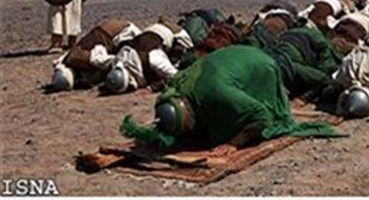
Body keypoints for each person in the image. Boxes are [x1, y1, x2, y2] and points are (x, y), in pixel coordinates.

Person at [120, 45, 340, 149]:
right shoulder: (176, 88)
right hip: (234, 56)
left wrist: (234, 143)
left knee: (269, 111)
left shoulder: (217, 94)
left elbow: (260, 115)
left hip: (262, 65)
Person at [50, 19, 141, 91]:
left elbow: (110, 60)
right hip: (111, 32)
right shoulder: (70, 59)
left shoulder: (81, 58)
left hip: (123, 32)